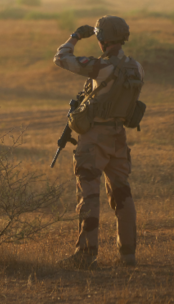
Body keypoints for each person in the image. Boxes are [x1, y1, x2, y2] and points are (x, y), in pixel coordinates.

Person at [53, 15, 144, 268]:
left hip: (94, 138)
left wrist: (75, 36)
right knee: (122, 194)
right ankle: (128, 254)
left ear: (101, 39)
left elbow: (61, 57)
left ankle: (86, 254)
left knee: (89, 195)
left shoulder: (101, 67)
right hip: (118, 136)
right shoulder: (136, 67)